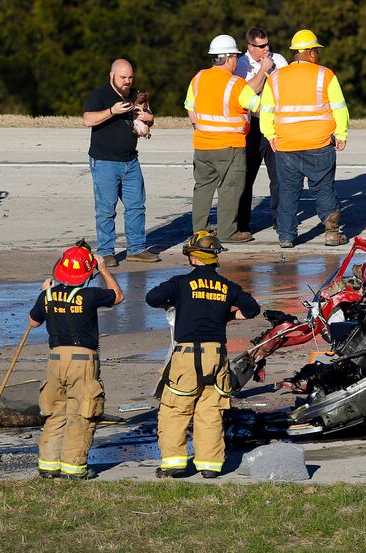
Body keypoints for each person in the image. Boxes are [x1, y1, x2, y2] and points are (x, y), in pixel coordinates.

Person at [146, 231, 260, 478]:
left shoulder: (180, 283)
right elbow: (252, 309)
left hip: (187, 355)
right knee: (210, 411)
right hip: (217, 356)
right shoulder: (227, 286)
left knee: (175, 409)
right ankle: (209, 466)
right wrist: (227, 315)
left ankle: (174, 464)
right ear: (214, 257)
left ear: (192, 258)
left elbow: (152, 297)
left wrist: (175, 303)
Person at [29, 240, 125, 479]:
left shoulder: (48, 295)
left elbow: (33, 322)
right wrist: (103, 269)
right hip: (83, 360)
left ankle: (49, 465)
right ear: (87, 272)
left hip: (55, 360)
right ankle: (74, 467)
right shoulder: (90, 295)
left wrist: (44, 295)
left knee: (55, 412)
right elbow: (117, 296)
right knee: (82, 413)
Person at [260, 29, 350, 248]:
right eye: (316, 51)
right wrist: (341, 134)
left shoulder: (276, 77)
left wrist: (270, 135)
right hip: (318, 144)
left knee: (288, 192)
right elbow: (339, 108)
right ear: (310, 53)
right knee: (323, 188)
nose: (317, 55)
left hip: (287, 145)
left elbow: (266, 110)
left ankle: (286, 237)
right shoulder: (325, 75)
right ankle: (331, 233)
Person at [83, 59, 160, 267]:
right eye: (123, 77)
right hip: (105, 161)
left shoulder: (137, 94)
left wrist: (148, 117)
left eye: (130, 77)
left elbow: (149, 122)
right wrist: (112, 111)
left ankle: (136, 249)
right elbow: (87, 120)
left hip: (130, 160)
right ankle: (106, 251)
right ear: (112, 76)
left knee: (136, 206)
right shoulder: (100, 95)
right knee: (106, 209)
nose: (127, 81)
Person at [185, 35, 261, 243]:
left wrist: (202, 129)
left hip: (202, 144)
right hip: (231, 146)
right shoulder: (237, 84)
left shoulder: (198, 78)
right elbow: (259, 106)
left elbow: (190, 108)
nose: (237, 61)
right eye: (235, 57)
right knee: (230, 188)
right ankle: (228, 232)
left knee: (202, 188)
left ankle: (199, 231)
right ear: (228, 59)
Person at [234, 27, 288, 233]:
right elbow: (245, 93)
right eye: (261, 46)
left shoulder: (279, 60)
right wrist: (263, 71)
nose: (267, 49)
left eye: (268, 44)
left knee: (279, 177)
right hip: (252, 125)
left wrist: (271, 70)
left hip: (274, 124)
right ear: (250, 47)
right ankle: (242, 223)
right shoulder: (241, 64)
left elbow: (285, 89)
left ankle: (279, 219)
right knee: (246, 176)